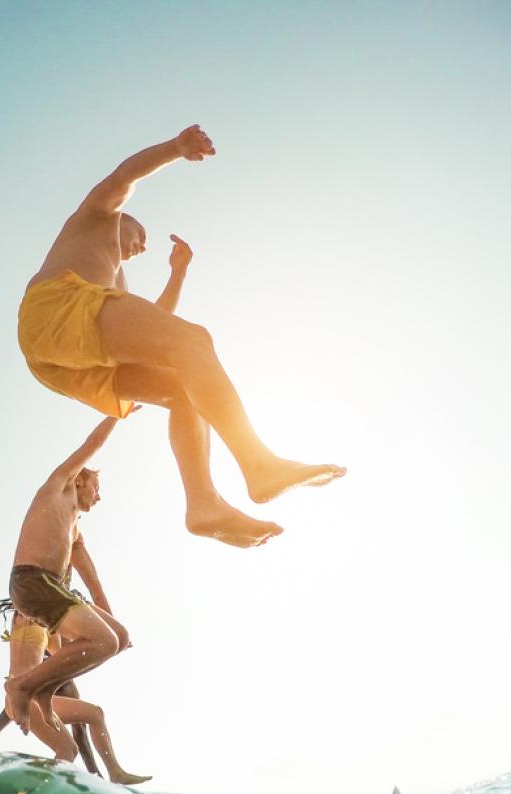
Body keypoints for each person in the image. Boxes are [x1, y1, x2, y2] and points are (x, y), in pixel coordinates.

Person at [18, 125, 344, 546]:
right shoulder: (97, 216)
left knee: (181, 385)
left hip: (61, 359)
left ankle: (203, 503)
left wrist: (178, 274)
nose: (141, 246)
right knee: (195, 341)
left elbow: (149, 329)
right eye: (140, 236)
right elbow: (124, 175)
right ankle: (259, 464)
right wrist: (175, 148)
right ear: (125, 218)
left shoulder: (114, 282)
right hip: (55, 308)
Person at [1, 415, 150, 793]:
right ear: (81, 479)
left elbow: (93, 582)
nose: (99, 496)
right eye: (97, 487)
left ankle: (44, 688)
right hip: (31, 580)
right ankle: (26, 687)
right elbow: (91, 444)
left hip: (53, 590)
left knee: (116, 636)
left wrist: (113, 624)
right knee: (105, 642)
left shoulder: (75, 531)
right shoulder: (60, 486)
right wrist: (117, 412)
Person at [0, 600, 102, 778]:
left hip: (17, 696)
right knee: (69, 749)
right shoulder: (38, 620)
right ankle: (33, 785)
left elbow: (52, 652)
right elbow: (61, 653)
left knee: (92, 718)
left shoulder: (28, 621)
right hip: (27, 697)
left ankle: (101, 775)